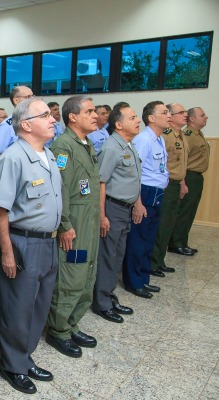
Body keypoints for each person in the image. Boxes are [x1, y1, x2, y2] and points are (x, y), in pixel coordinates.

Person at [0, 98, 62, 394]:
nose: (52, 119)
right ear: (26, 124)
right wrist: (7, 252)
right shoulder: (12, 158)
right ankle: (12, 364)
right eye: (45, 115)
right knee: (18, 307)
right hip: (22, 242)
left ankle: (25, 356)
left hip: (48, 242)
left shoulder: (47, 154)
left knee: (39, 305)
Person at [46, 95, 100, 358]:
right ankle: (58, 330)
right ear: (73, 117)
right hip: (74, 225)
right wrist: (65, 225)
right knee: (71, 276)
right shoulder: (63, 147)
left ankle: (72, 324)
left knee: (87, 273)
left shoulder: (86, 144)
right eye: (89, 111)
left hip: (89, 221)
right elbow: (61, 190)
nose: (96, 115)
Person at [91, 102, 141, 324]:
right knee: (107, 256)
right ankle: (101, 302)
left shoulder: (128, 145)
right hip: (112, 207)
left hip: (125, 209)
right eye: (132, 118)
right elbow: (100, 182)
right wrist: (102, 216)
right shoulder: (111, 148)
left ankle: (109, 296)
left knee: (117, 256)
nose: (137, 120)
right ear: (119, 124)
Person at [123, 101, 170, 299]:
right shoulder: (143, 140)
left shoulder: (159, 139)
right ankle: (133, 282)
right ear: (151, 118)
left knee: (149, 238)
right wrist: (138, 203)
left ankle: (143, 278)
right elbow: (135, 174)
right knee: (138, 239)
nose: (169, 115)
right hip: (145, 193)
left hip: (157, 193)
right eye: (164, 112)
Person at [150, 103, 189, 277]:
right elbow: (159, 164)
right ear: (171, 117)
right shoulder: (165, 137)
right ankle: (153, 262)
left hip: (176, 183)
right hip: (165, 185)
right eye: (181, 113)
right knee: (161, 224)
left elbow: (181, 164)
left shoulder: (182, 135)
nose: (185, 115)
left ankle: (160, 260)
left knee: (169, 224)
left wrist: (182, 182)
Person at [169, 106, 210, 255]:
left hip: (197, 177)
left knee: (190, 211)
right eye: (202, 115)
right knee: (184, 211)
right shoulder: (187, 135)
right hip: (188, 176)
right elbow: (182, 161)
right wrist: (183, 182)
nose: (206, 117)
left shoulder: (198, 134)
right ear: (192, 119)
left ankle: (182, 241)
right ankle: (176, 243)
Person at [0, 85, 34, 161]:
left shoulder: (34, 121)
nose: (32, 100)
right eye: (28, 97)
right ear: (16, 100)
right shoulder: (7, 126)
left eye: (33, 96)